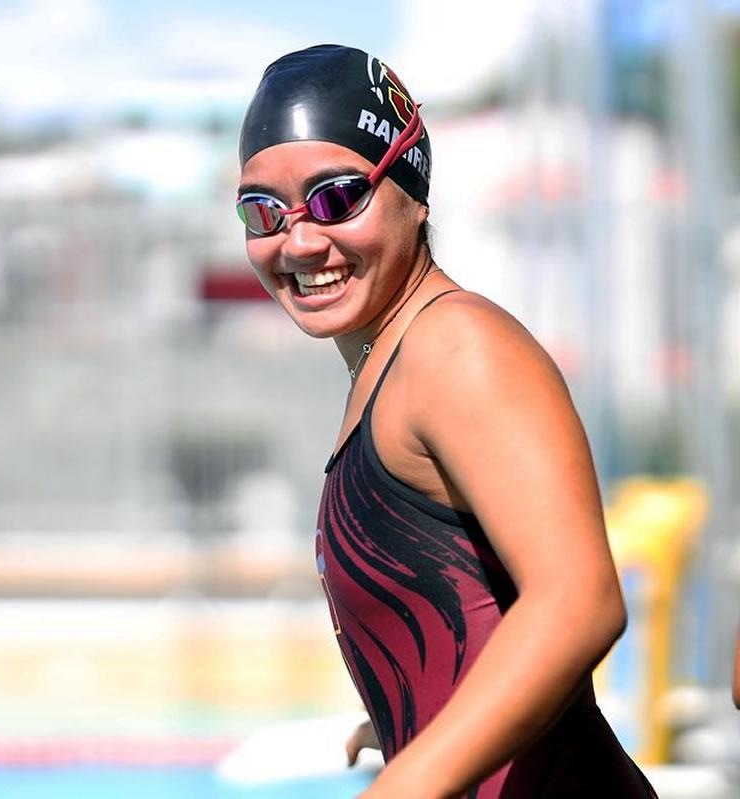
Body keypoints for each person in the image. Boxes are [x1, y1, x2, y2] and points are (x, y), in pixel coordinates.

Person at [236, 44, 658, 798]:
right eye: (264, 211)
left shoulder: (455, 346)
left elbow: (580, 597)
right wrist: (417, 722)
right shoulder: (387, 366)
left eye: (337, 197)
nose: (299, 241)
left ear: (412, 186)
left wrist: (411, 778)